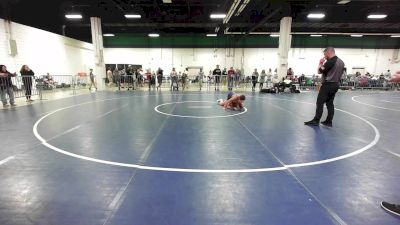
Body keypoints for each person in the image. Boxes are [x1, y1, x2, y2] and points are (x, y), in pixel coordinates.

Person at [304, 47, 345, 127]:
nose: (324, 55)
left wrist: (321, 62)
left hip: (328, 84)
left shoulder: (330, 62)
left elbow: (319, 71)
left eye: (324, 54)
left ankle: (316, 120)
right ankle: (329, 121)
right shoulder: (341, 62)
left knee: (320, 102)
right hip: (336, 84)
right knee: (330, 103)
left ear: (328, 52)